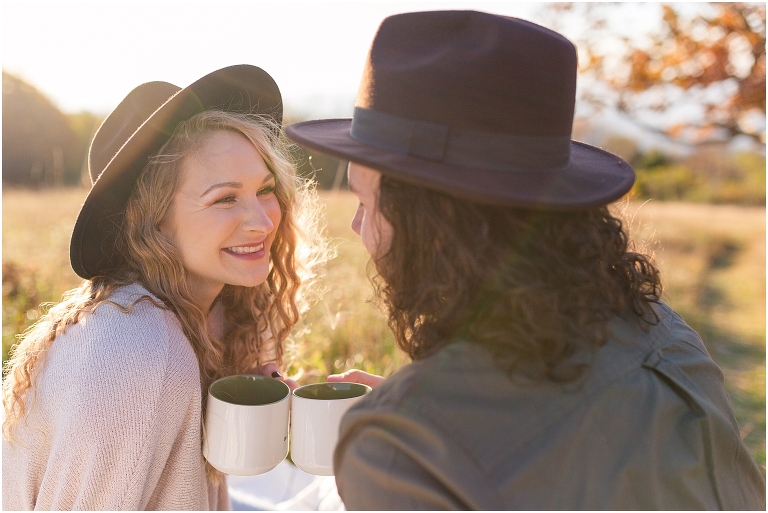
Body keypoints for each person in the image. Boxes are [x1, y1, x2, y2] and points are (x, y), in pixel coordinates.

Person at [286, 10, 766, 510]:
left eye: (366, 203)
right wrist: (432, 422)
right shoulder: (665, 332)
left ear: (434, 222)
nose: (356, 227)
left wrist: (404, 433)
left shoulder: (402, 446)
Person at [2, 65, 326, 510]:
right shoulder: (140, 354)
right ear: (154, 221)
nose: (265, 221)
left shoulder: (201, 316)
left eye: (265, 190)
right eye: (225, 198)